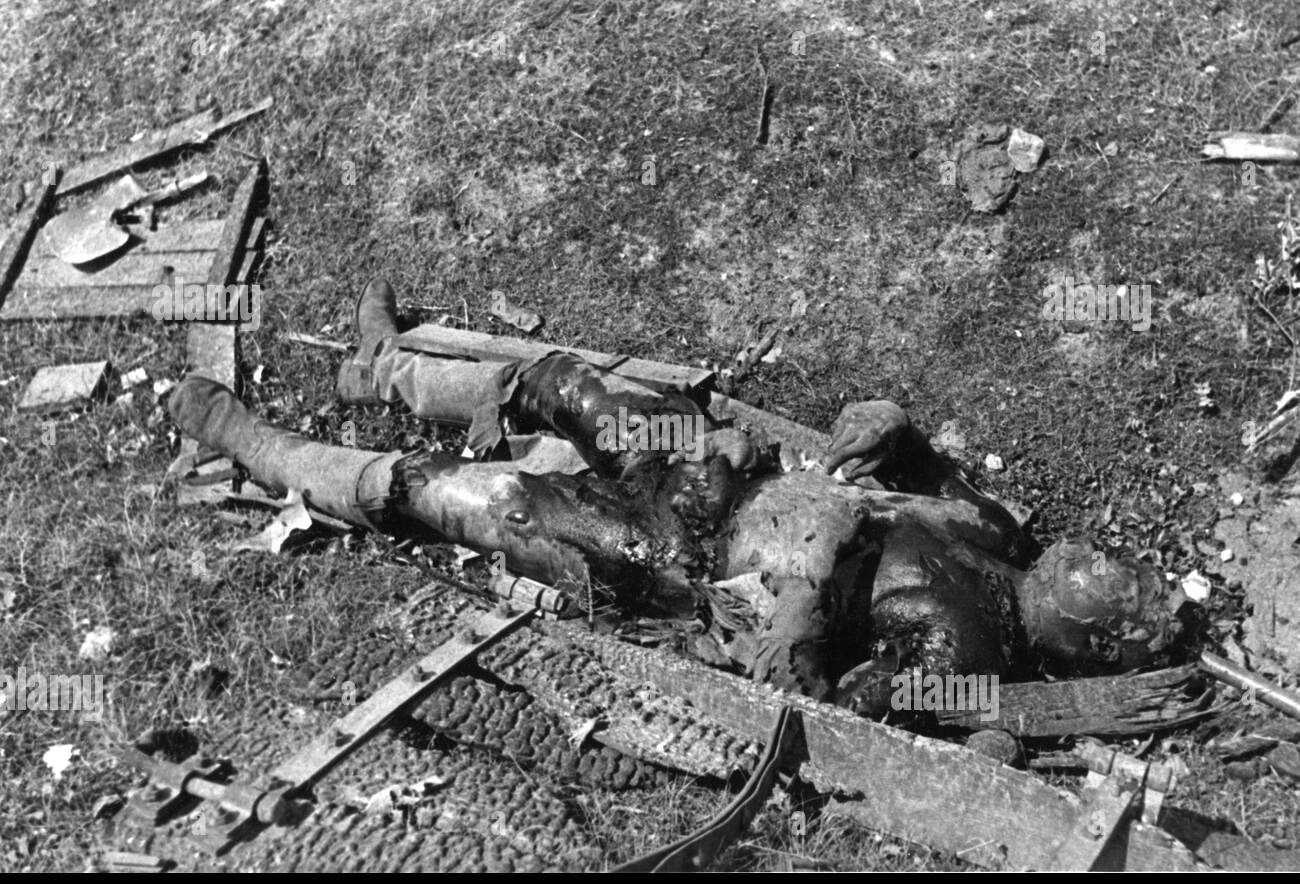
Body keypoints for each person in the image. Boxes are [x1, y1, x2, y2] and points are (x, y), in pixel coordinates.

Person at [169, 280, 1190, 716]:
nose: (1105, 556)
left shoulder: (966, 659)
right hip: (716, 475)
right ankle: (382, 369)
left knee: (469, 495)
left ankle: (258, 444)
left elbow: (837, 700)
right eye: (1126, 562)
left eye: (1119, 588)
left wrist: (792, 619)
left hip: (674, 556)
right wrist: (883, 425)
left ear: (1088, 639)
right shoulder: (1003, 533)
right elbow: (909, 446)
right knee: (562, 383)